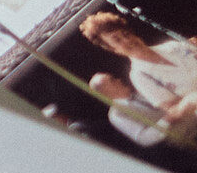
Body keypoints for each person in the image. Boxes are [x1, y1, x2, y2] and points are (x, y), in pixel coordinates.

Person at [79, 11, 197, 140]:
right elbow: (174, 110)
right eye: (117, 40)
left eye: (125, 34)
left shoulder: (172, 46)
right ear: (113, 49)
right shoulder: (140, 76)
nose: (127, 40)